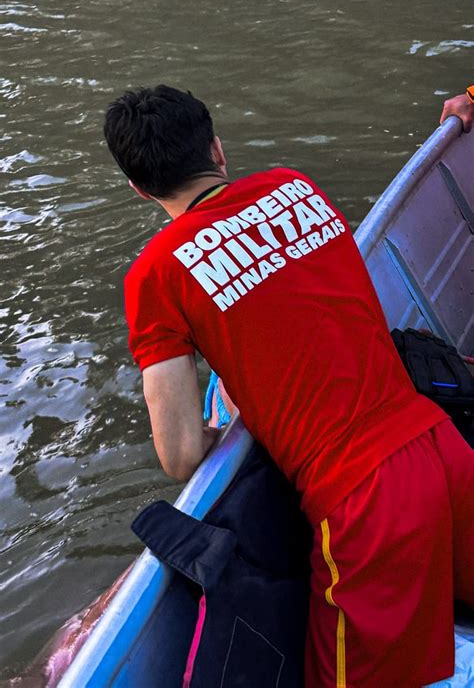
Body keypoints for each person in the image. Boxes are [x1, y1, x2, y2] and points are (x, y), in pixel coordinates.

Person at [104, 85, 474, 687]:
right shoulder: (294, 186)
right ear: (217, 151)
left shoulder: (157, 273)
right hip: (445, 449)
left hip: (367, 504)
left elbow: (178, 457)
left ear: (139, 188)